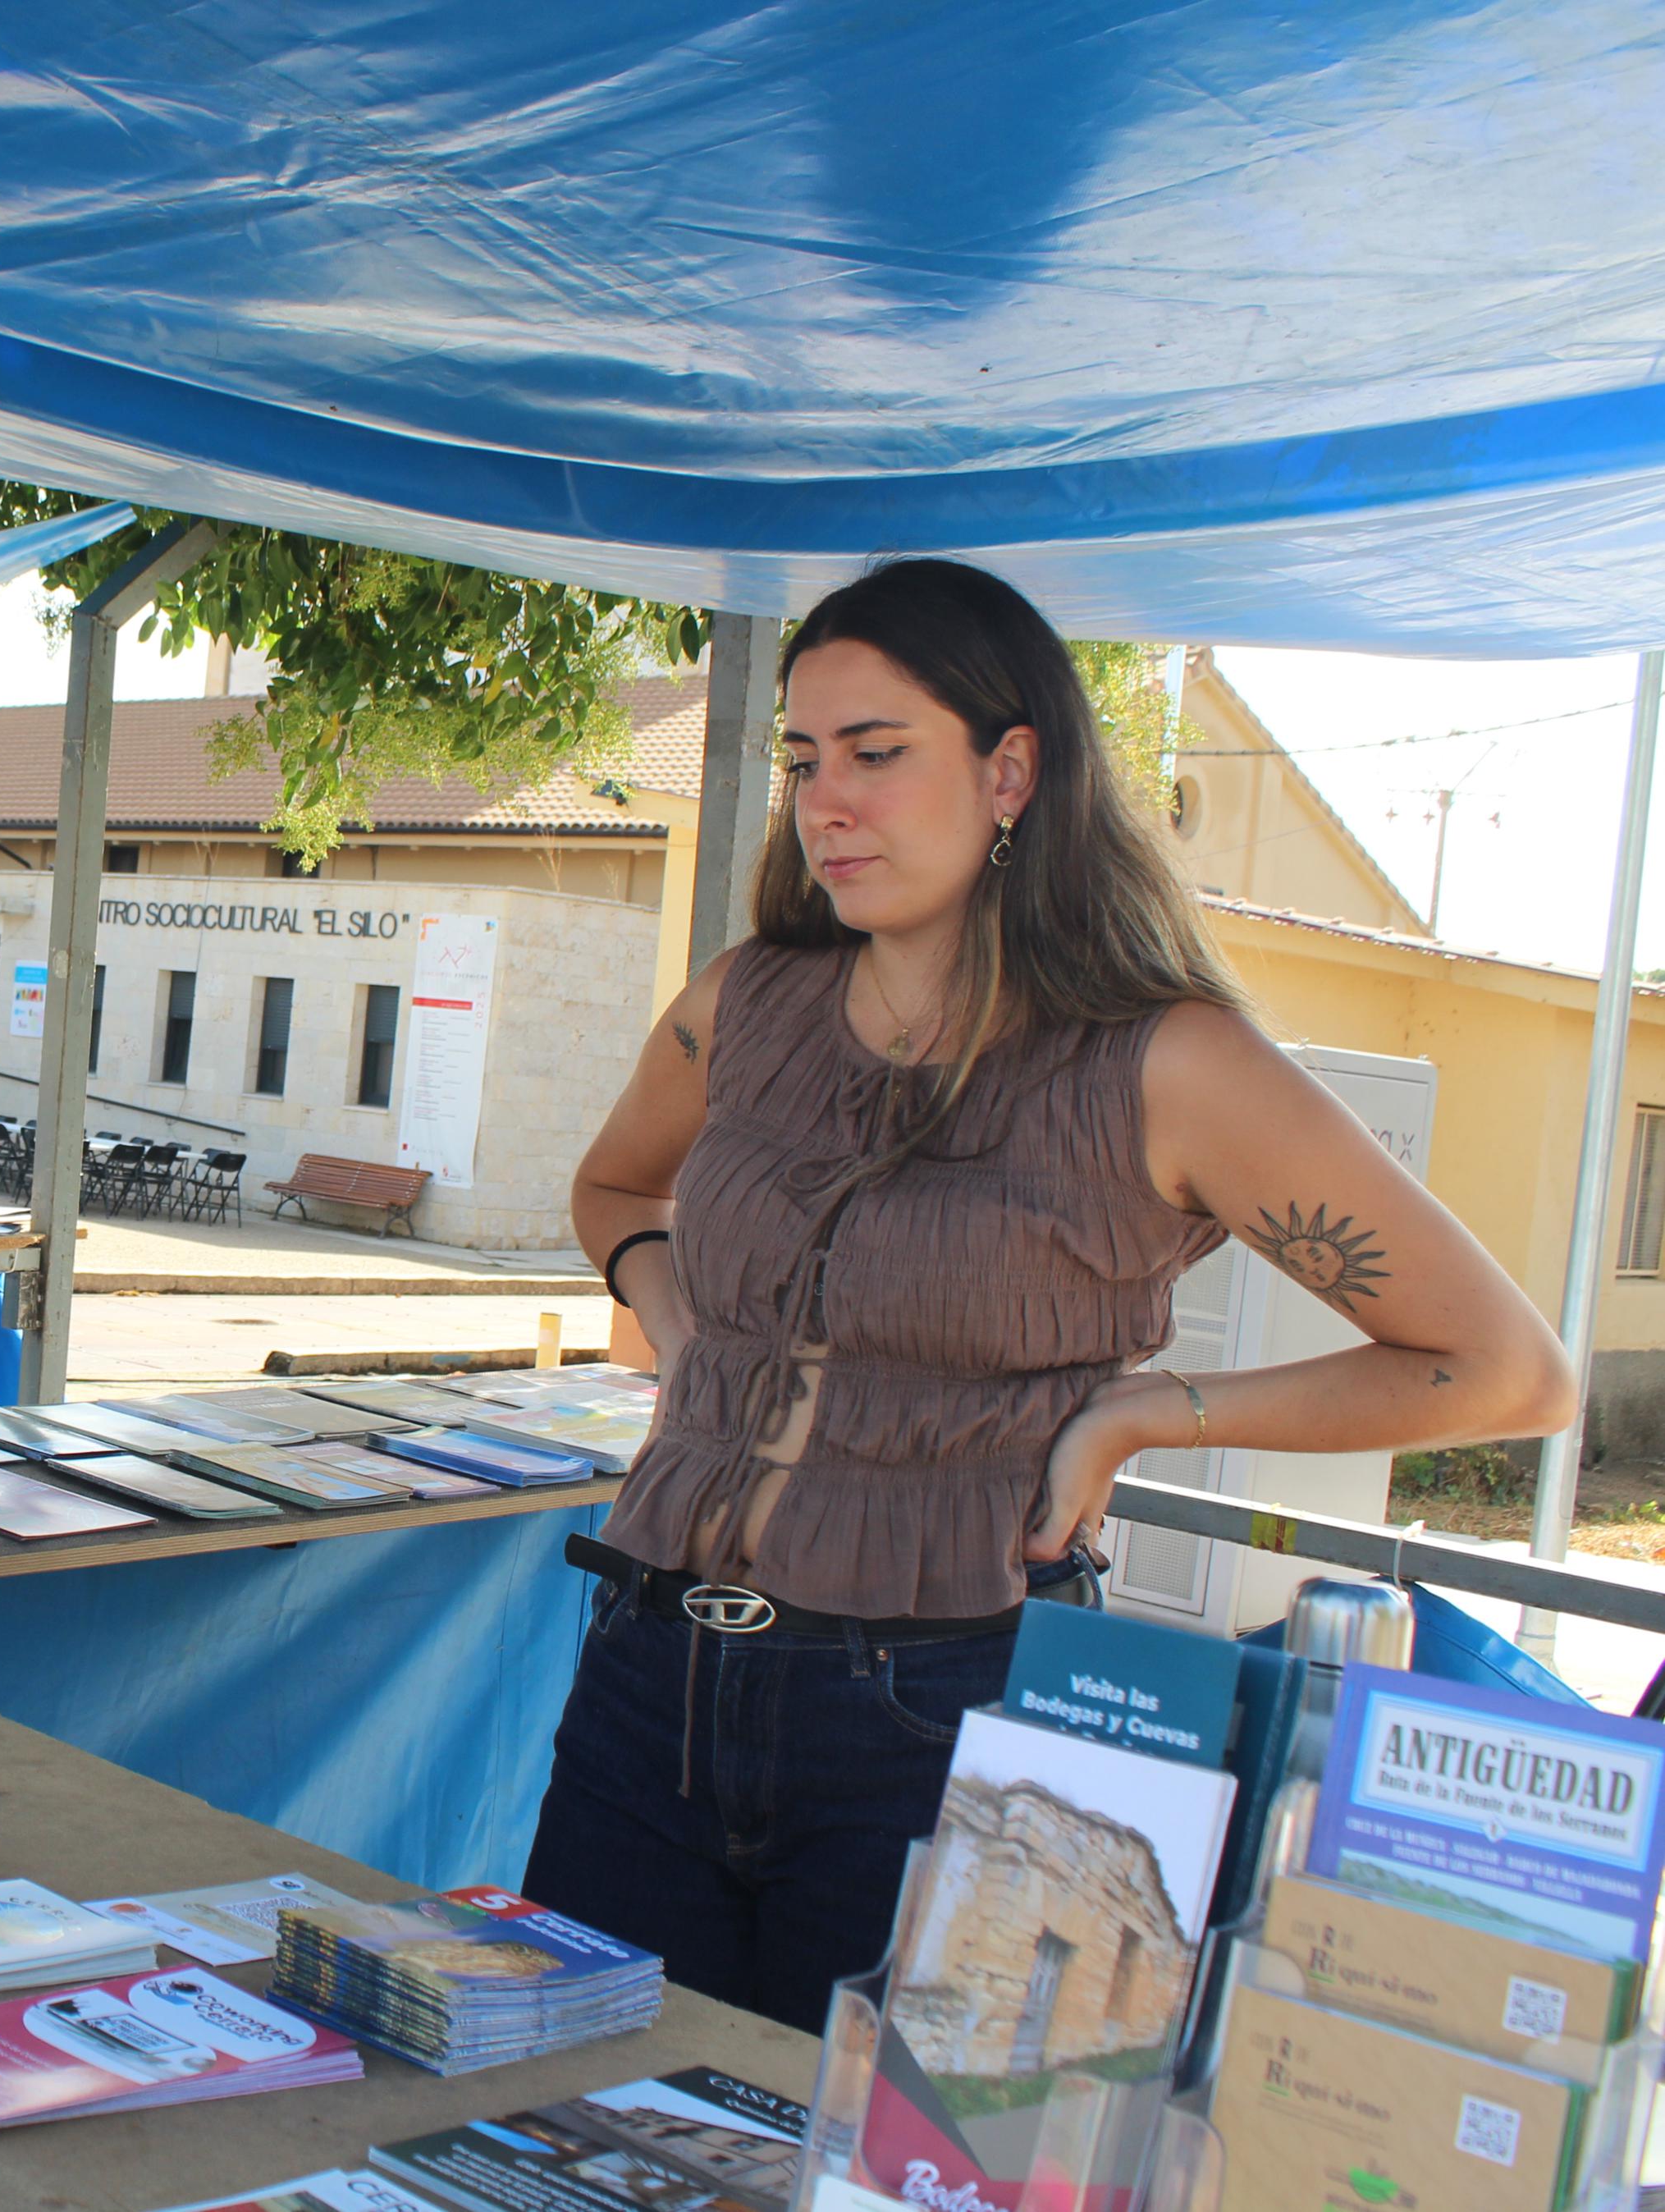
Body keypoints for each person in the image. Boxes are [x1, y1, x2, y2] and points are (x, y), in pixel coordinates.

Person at [525, 558, 1574, 2033]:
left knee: (878, 2174)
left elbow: (1505, 1369)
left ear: (1010, 770)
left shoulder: (1163, 1065)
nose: (824, 802)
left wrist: (1144, 1414)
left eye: (877, 755)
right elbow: (613, 1193)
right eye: (800, 759)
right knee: (564, 2126)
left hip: (942, 1712)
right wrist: (688, 1327)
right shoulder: (743, 1002)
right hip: (649, 1673)